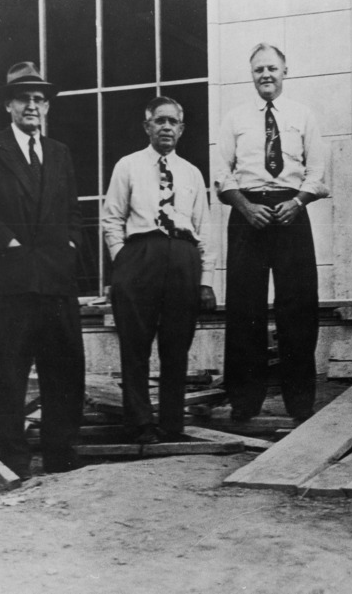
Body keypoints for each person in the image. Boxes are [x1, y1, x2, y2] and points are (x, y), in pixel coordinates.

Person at [0, 62, 85, 480]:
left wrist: (70, 246)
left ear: (46, 107)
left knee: (63, 369)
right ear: (7, 105)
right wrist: (8, 240)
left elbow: (73, 212)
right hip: (11, 281)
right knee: (10, 372)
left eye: (39, 99)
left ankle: (60, 453)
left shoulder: (61, 152)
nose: (32, 105)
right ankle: (14, 456)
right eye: (24, 98)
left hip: (55, 280)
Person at [215, 43, 328, 424]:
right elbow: (222, 172)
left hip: (291, 212)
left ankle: (299, 400)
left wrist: (296, 203)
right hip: (247, 213)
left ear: (285, 71)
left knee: (297, 306)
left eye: (272, 68)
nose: (266, 75)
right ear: (252, 74)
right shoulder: (234, 118)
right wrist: (245, 208)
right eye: (259, 69)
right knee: (245, 308)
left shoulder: (303, 115)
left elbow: (316, 172)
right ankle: (245, 401)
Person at [103, 97, 216, 443]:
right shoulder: (128, 166)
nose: (166, 127)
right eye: (159, 121)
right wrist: (123, 263)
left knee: (176, 344)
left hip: (182, 258)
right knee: (136, 345)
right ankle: (139, 424)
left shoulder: (191, 173)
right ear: (147, 126)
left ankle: (171, 425)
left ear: (181, 130)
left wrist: (206, 280)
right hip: (141, 254)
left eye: (173, 122)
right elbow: (112, 219)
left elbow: (205, 228)